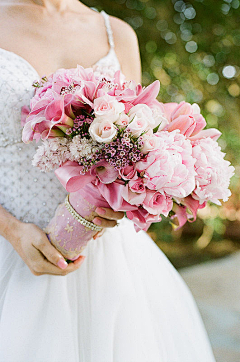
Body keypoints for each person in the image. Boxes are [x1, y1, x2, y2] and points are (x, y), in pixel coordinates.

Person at [0, 0, 216, 361]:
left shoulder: (117, 34)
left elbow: (141, 141)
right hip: (10, 246)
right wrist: (12, 231)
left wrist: (146, 189)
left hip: (109, 262)